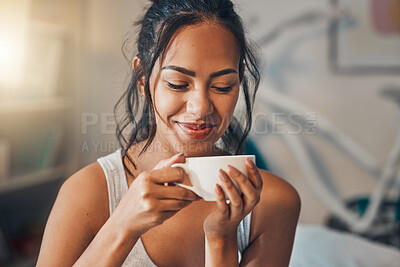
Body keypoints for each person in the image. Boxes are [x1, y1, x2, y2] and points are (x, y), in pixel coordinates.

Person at [37, 0, 301, 266]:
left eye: (222, 86)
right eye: (178, 84)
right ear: (142, 78)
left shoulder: (273, 203)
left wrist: (221, 240)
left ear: (239, 79)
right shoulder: (88, 192)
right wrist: (122, 226)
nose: (201, 108)